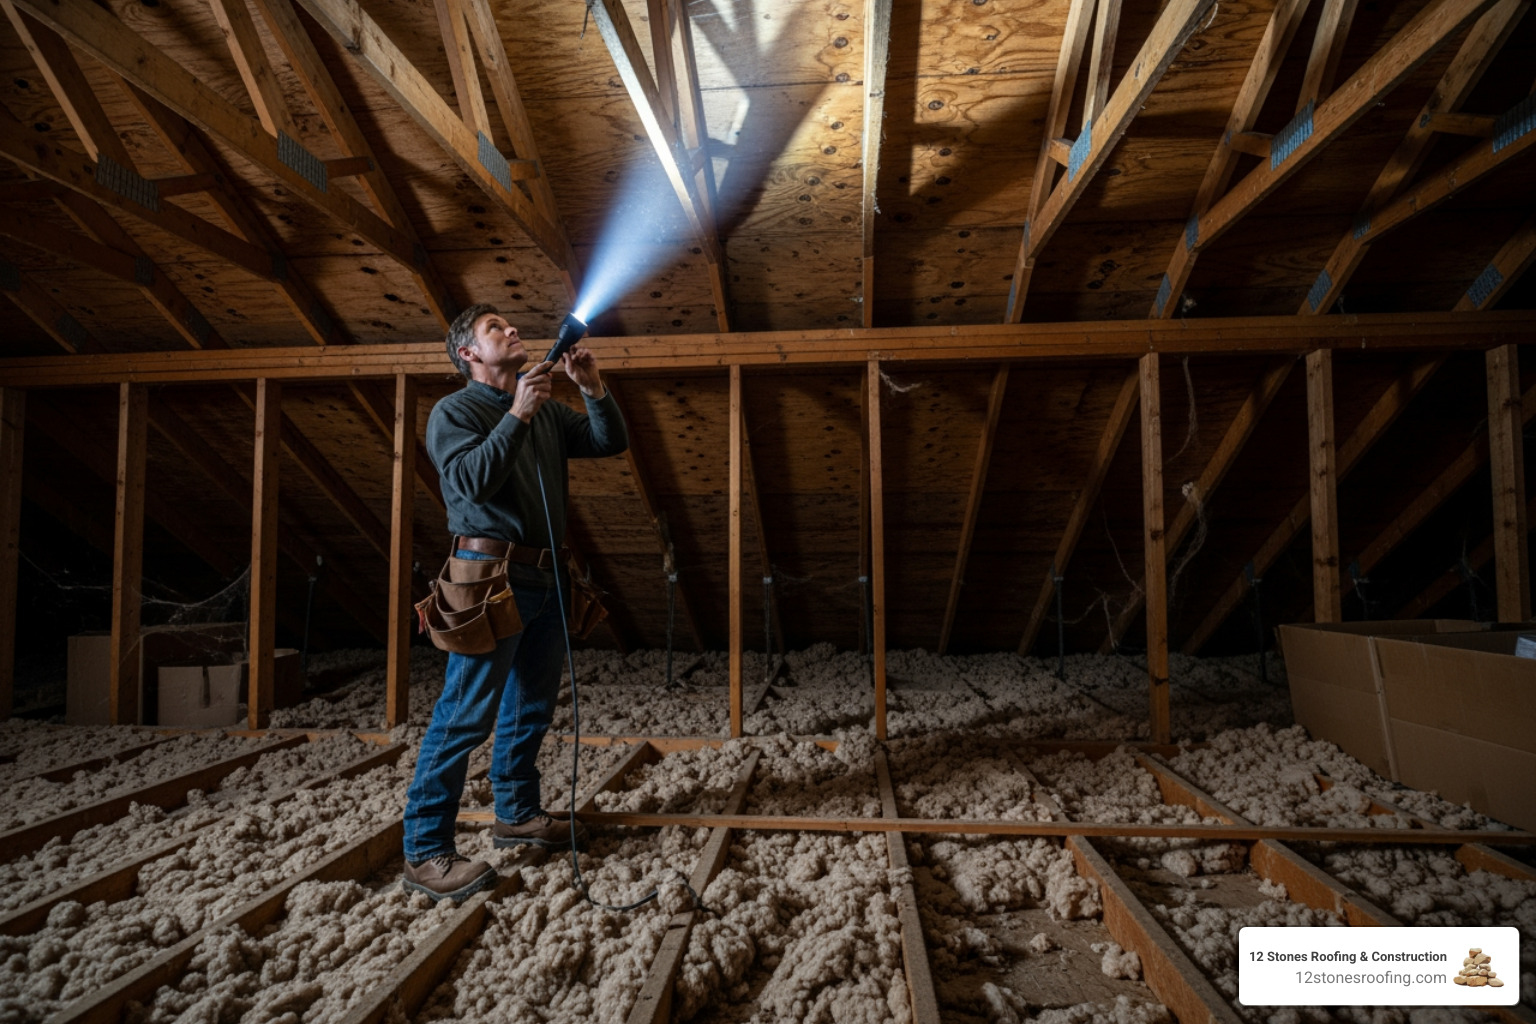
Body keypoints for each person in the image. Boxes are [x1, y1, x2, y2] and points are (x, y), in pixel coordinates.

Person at [401, 303, 629, 901]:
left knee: (530, 706)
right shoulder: (454, 411)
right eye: (493, 329)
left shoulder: (548, 412)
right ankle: (425, 852)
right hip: (488, 578)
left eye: (509, 325)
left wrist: (592, 388)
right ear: (469, 355)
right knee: (464, 714)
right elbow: (470, 482)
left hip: (547, 578)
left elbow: (611, 441)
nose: (510, 330)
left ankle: (517, 815)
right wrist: (518, 415)